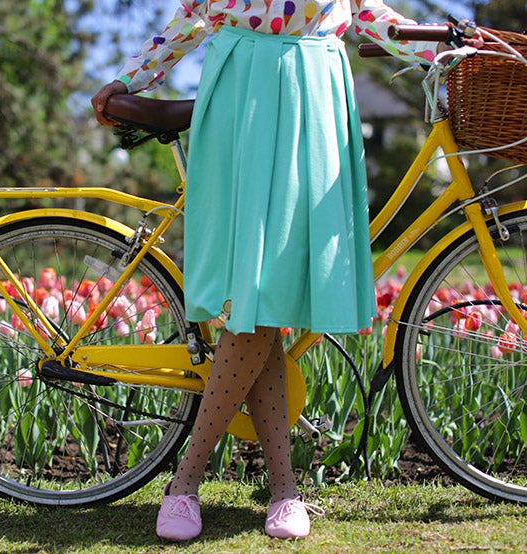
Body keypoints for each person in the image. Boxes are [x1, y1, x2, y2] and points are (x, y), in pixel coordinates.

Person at [92, 0, 478, 542]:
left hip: (317, 98)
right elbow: (191, 18)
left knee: (264, 304)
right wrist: (128, 79)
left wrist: (447, 44)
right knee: (256, 299)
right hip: (243, 96)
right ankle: (201, 484)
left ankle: (271, 489)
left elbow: (367, 13)